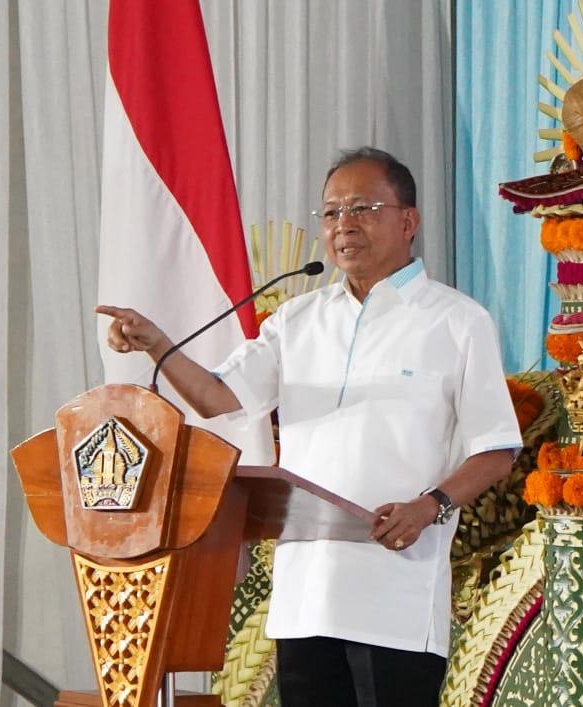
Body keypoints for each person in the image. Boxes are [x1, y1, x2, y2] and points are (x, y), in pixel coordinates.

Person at [96, 147, 522, 707]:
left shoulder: (458, 321)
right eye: (331, 212)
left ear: (408, 221)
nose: (344, 225)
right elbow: (217, 397)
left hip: (397, 595)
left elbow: (496, 448)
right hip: (305, 597)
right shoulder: (297, 320)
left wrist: (430, 506)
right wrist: (157, 342)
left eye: (363, 208)